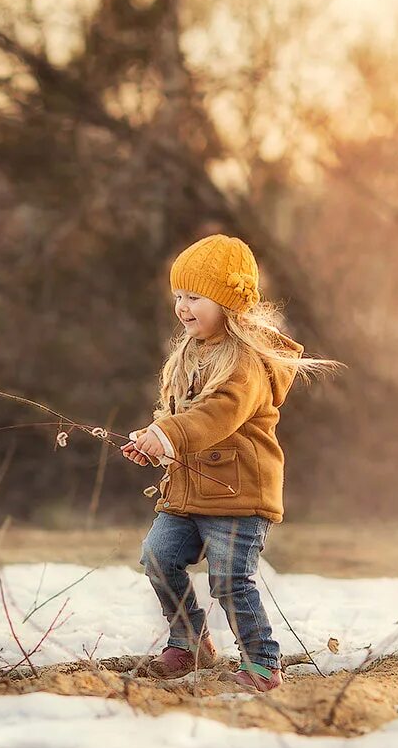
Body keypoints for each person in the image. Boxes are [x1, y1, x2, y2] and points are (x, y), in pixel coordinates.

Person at [123, 233, 341, 691]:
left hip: (238, 494)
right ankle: (190, 642)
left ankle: (263, 662)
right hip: (187, 490)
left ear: (228, 303)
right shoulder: (190, 351)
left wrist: (169, 435)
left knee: (229, 581)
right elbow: (178, 413)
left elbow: (218, 413)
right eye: (178, 296)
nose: (183, 307)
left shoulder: (246, 364)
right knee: (158, 557)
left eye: (195, 297)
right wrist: (154, 438)